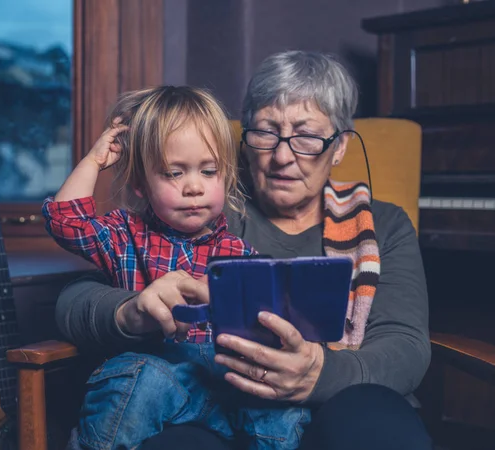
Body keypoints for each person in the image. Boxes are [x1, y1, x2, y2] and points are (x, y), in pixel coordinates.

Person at [56, 51, 433, 450]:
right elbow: (73, 300)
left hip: (343, 397)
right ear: (245, 140)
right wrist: (131, 310)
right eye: (266, 133)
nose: (283, 156)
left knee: (376, 429)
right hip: (221, 404)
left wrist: (320, 373)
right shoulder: (204, 210)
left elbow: (405, 345)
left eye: (306, 137)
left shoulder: (383, 224)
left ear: (338, 147)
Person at [43, 85, 311, 449]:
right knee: (139, 379)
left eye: (208, 171)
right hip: (156, 380)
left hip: (223, 384)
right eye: (174, 173)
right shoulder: (125, 234)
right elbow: (67, 222)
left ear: (226, 175)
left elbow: (268, 331)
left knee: (282, 407)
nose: (194, 187)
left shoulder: (240, 253)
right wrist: (94, 161)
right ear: (140, 183)